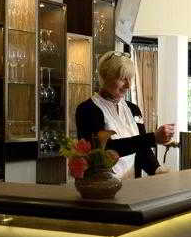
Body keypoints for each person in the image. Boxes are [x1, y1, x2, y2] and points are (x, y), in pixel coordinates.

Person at [75, 51, 175, 179]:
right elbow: (103, 152)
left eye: (130, 78)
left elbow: (142, 149)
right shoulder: (87, 109)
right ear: (106, 77)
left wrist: (157, 170)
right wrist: (152, 138)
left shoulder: (133, 109)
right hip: (103, 185)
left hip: (133, 184)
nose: (128, 85)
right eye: (123, 79)